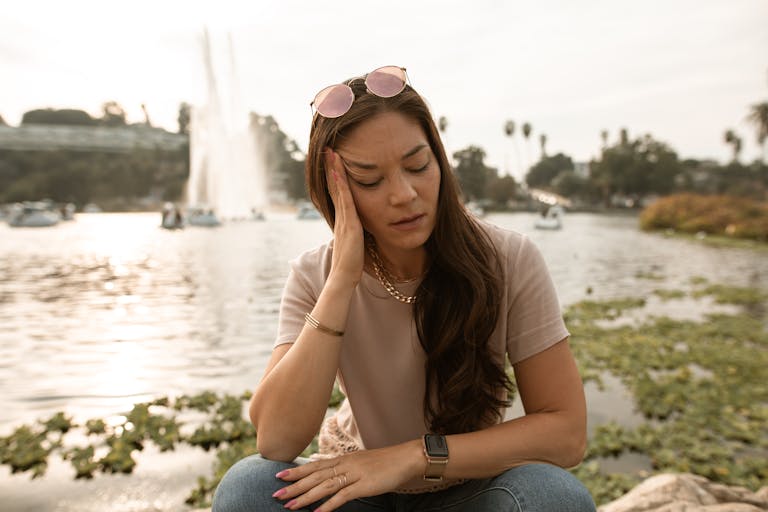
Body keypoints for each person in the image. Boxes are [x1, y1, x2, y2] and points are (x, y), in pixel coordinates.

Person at [213, 66, 595, 512]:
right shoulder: (314, 275)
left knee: (552, 497)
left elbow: (566, 434)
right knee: (248, 488)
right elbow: (276, 440)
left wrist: (412, 457)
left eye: (417, 166)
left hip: (470, 486)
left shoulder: (509, 259)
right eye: (371, 181)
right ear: (334, 189)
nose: (404, 194)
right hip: (356, 489)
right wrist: (341, 282)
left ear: (438, 158)